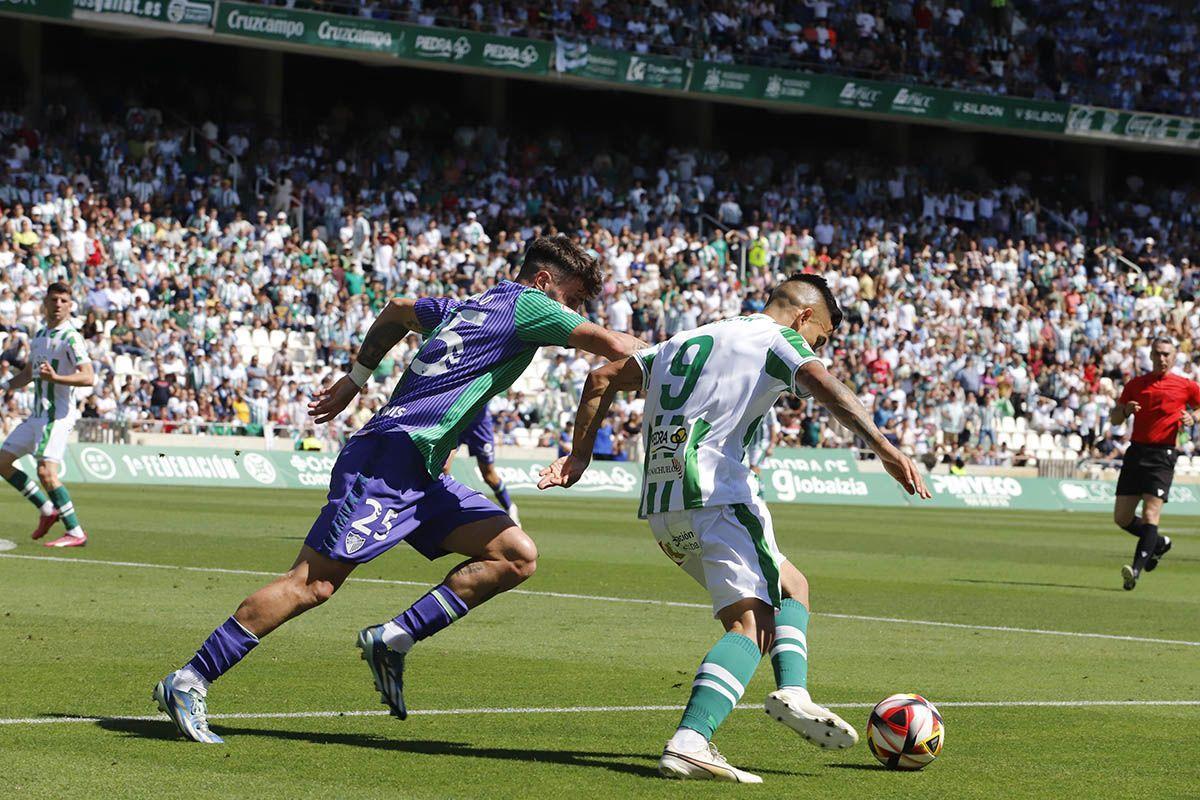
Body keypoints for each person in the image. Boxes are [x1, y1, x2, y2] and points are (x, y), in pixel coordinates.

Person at [153, 236, 643, 743]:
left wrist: (355, 378)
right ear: (544, 282)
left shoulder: (470, 305)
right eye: (574, 299)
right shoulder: (533, 304)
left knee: (514, 553)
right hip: (388, 461)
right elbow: (615, 346)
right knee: (313, 584)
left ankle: (393, 639)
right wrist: (693, 354)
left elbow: (398, 310)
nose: (574, 311)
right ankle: (190, 679)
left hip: (422, 470)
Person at [539, 274, 930, 782]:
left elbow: (601, 378)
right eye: (822, 339)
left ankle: (793, 691)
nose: (818, 348)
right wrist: (884, 446)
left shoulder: (685, 340)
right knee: (753, 625)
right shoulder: (776, 338)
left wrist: (578, 458)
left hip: (663, 507)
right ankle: (691, 740)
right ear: (805, 316)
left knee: (792, 586)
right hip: (717, 495)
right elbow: (826, 387)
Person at [0, 282, 95, 547]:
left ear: (70, 305)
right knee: (2, 462)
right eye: (54, 299)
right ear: (46, 302)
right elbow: (29, 373)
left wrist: (58, 378)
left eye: (64, 300)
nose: (59, 304)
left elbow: (88, 377)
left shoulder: (71, 337)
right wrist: (5, 386)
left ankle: (75, 531)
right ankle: (46, 509)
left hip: (58, 416)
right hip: (36, 415)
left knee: (46, 473)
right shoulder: (40, 334)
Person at [1108, 337, 1200, 590]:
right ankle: (1158, 544)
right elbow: (1114, 418)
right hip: (1136, 452)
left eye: (1167, 354)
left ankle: (1134, 571)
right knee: (1122, 517)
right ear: (1150, 355)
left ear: (1174, 356)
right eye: (1158, 353)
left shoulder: (1185, 385)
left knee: (1150, 513)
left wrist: (1193, 416)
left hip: (1163, 455)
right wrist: (1126, 410)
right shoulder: (1136, 385)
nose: (1162, 358)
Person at [442, 407, 520, 526]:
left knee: (489, 475)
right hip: (457, 421)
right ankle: (446, 510)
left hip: (479, 424)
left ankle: (509, 506)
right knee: (444, 467)